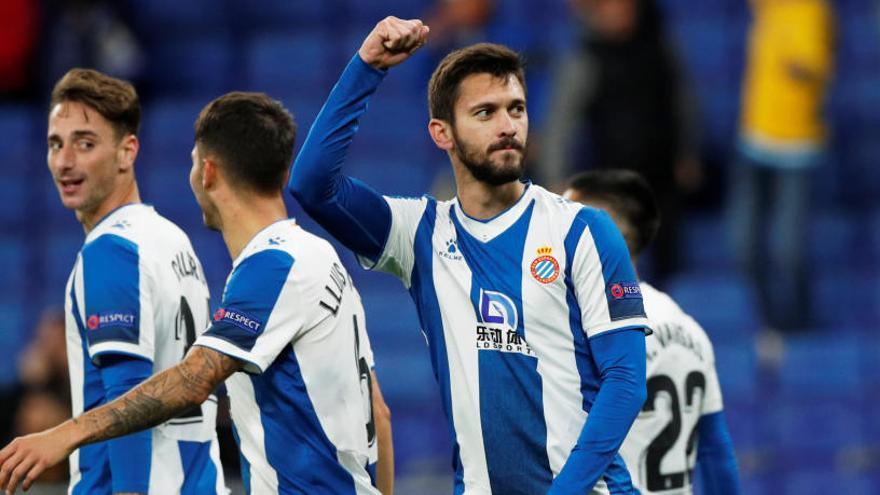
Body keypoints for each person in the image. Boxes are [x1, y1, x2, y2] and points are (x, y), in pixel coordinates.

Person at [289, 16, 649, 494]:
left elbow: (625, 380)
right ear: (442, 133)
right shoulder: (418, 233)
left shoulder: (581, 229)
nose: (507, 126)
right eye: (485, 113)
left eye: (516, 109)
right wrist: (367, 66)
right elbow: (312, 185)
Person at [0, 92, 392, 495]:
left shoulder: (272, 268)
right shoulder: (321, 256)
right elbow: (379, 413)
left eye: (190, 163)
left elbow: (193, 380)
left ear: (208, 172)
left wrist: (65, 435)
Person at [22, 68, 226, 494]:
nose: (64, 161)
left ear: (126, 151)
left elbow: (127, 395)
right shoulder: (173, 240)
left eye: (85, 143)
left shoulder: (110, 251)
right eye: (56, 144)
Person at [564, 169, 741, 495]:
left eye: (564, 221)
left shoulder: (593, 332)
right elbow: (716, 452)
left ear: (603, 234)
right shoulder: (690, 329)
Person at [540, 0, 700, 281]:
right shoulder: (586, 59)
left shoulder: (660, 46)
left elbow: (683, 102)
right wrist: (556, 178)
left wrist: (688, 153)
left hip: (662, 176)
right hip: (611, 179)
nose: (621, 12)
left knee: (668, 264)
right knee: (614, 269)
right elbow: (560, 124)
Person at [729, 0, 834, 331]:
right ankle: (770, 323)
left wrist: (798, 67)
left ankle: (799, 325)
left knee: (788, 250)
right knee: (742, 245)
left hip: (796, 148)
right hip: (754, 142)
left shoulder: (812, 12)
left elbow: (813, 67)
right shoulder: (766, 9)